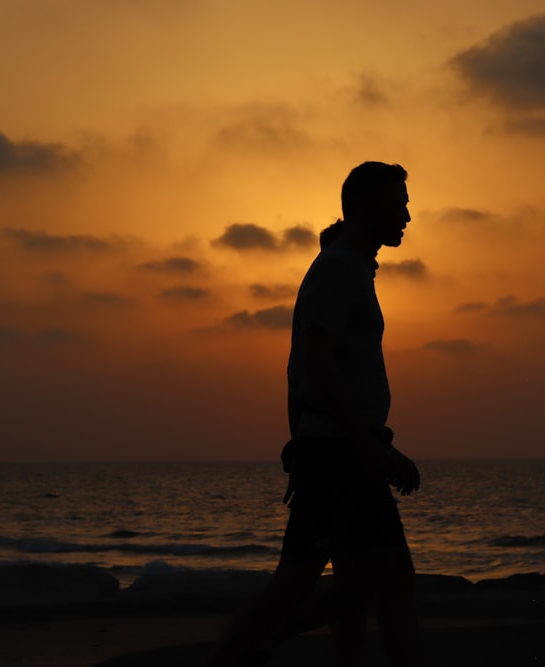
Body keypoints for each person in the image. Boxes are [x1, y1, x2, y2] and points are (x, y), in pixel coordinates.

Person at [204, 161, 423, 667]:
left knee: (358, 586)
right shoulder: (339, 270)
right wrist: (361, 446)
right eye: (398, 203)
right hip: (342, 456)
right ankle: (255, 643)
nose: (407, 214)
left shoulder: (348, 269)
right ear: (366, 207)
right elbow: (314, 364)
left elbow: (300, 372)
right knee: (356, 585)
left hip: (339, 450)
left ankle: (259, 642)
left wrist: (307, 443)